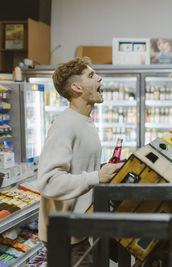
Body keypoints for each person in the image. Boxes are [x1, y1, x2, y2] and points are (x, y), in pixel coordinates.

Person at [38, 57, 123, 265]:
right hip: (67, 236)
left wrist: (104, 171)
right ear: (76, 87)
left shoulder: (84, 122)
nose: (99, 78)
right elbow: (48, 182)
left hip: (80, 229)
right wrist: (97, 176)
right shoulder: (65, 126)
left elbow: (80, 169)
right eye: (92, 75)